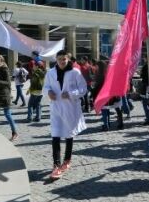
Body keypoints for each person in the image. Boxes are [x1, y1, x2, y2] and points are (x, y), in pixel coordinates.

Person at [44, 50, 87, 180]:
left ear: (68, 59)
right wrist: (49, 92)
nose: (62, 61)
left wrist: (71, 94)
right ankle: (56, 164)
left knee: (69, 134)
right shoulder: (50, 73)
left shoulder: (75, 72)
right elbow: (45, 86)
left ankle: (67, 159)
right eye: (60, 59)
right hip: (56, 107)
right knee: (55, 134)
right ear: (56, 60)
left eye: (64, 59)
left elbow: (83, 89)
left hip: (70, 107)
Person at [92, 60, 124, 131]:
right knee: (115, 109)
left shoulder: (101, 75)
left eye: (97, 66)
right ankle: (119, 124)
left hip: (108, 94)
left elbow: (99, 86)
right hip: (111, 94)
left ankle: (107, 125)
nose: (95, 67)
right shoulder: (108, 73)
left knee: (106, 110)